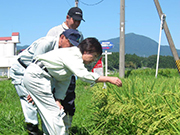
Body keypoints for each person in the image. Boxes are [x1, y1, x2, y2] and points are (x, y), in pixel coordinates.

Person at [23, 38, 122, 135]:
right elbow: (83, 75)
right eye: (94, 56)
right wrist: (108, 79)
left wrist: (58, 99)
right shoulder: (74, 55)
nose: (94, 60)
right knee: (53, 114)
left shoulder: (73, 58)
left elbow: (64, 80)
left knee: (51, 113)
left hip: (40, 77)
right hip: (37, 76)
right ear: (87, 51)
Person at [10, 29, 81, 135]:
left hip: (41, 75)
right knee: (30, 101)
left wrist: (57, 98)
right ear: (62, 37)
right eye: (69, 42)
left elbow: (56, 76)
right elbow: (35, 67)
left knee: (47, 103)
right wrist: (32, 90)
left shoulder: (64, 53)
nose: (70, 47)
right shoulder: (46, 43)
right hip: (22, 70)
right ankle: (32, 129)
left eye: (73, 45)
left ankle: (47, 131)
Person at [46, 6, 84, 133]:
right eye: (75, 20)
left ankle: (66, 130)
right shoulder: (54, 31)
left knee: (69, 103)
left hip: (69, 75)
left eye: (79, 21)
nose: (77, 23)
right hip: (53, 74)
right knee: (51, 103)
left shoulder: (79, 35)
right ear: (67, 18)